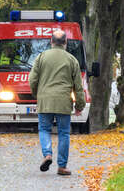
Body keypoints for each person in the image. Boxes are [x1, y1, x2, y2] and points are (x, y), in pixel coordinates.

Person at [29, 29, 85, 176]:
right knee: (64, 133)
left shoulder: (41, 57)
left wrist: (37, 94)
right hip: (63, 102)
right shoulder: (72, 60)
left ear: (51, 42)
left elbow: (32, 80)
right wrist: (80, 105)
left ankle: (47, 154)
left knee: (44, 130)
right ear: (65, 42)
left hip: (45, 100)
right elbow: (78, 86)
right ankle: (62, 166)